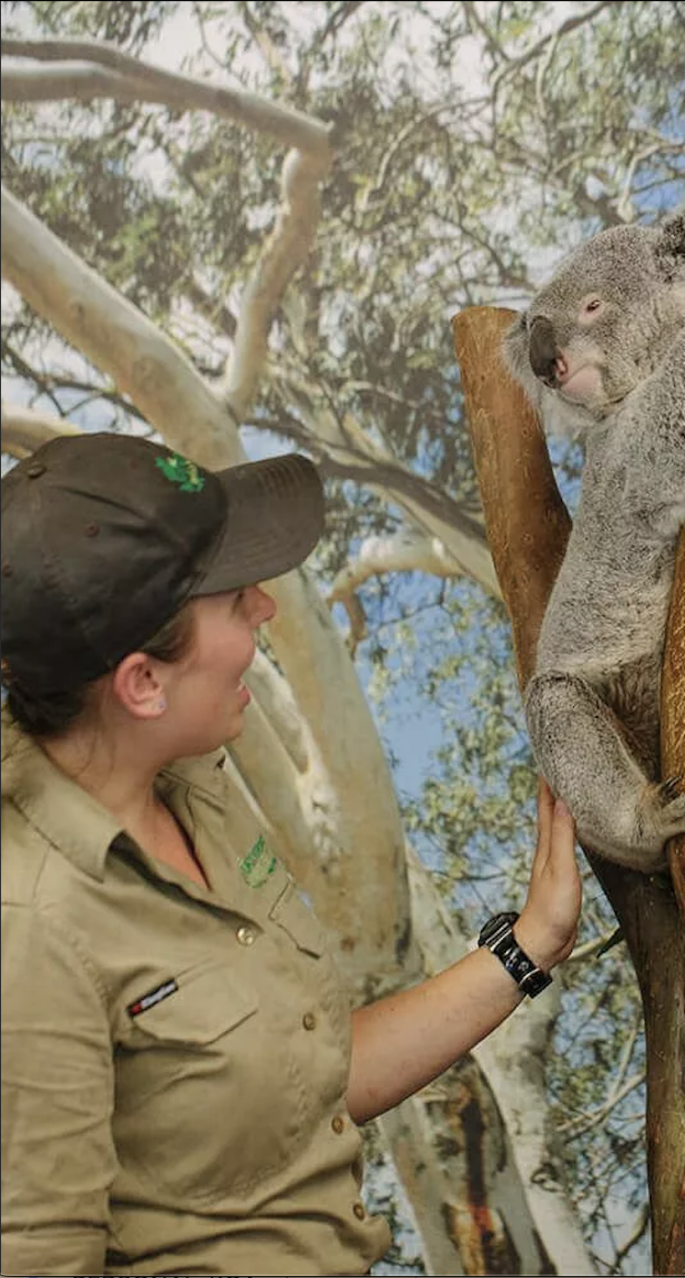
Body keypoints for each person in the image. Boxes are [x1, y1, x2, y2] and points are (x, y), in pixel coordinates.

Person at [0, 432, 582, 1276]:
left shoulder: (189, 777)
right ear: (142, 684)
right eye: (234, 600)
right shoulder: (30, 927)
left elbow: (303, 1077)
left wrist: (530, 944)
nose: (266, 606)